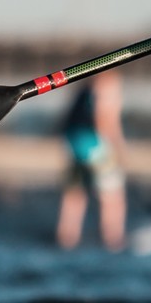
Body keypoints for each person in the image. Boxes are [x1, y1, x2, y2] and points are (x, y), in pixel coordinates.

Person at [55, 72, 126, 251]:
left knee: (75, 193)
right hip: (95, 144)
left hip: (74, 142)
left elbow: (66, 119)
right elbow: (104, 117)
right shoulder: (108, 82)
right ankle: (113, 240)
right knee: (112, 195)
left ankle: (67, 239)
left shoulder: (87, 86)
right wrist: (117, 146)